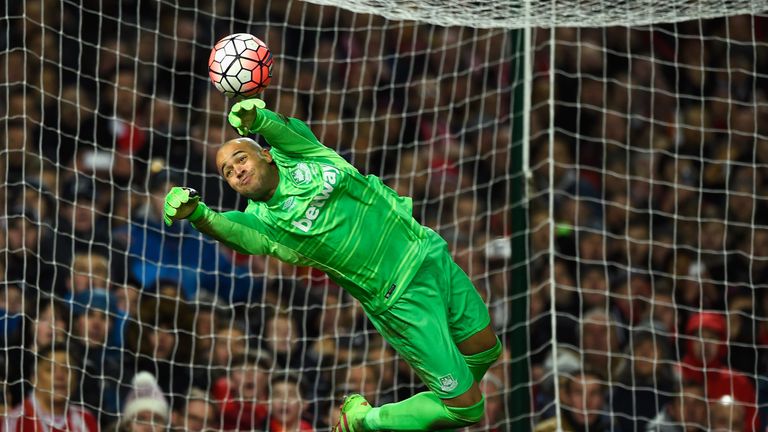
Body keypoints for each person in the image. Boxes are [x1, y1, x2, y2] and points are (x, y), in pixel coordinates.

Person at [163, 98, 502, 431]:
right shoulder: (266, 225)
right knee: (467, 410)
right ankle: (363, 421)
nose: (236, 170)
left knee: (487, 350)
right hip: (400, 297)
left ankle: (441, 401)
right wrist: (199, 215)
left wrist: (259, 119)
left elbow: (284, 130)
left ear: (264, 154)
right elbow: (231, 230)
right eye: (228, 172)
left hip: (428, 252)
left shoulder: (304, 154)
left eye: (240, 158)